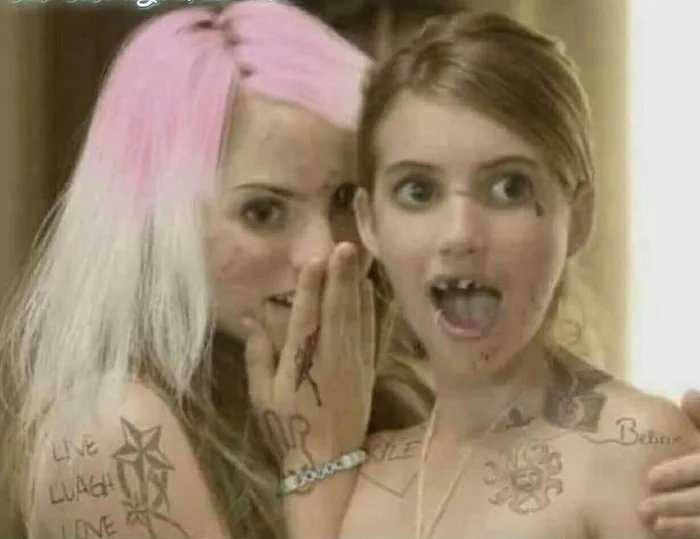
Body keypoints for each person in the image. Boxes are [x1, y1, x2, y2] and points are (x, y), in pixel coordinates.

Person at [246, 10, 700, 539]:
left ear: (577, 219)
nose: (460, 234)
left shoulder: (637, 453)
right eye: (419, 191)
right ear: (369, 223)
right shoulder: (364, 475)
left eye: (509, 188)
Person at [0, 3, 427, 538]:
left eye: (345, 200)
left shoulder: (392, 396)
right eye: (263, 212)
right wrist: (320, 460)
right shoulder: (111, 431)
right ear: (160, 223)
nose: (323, 253)